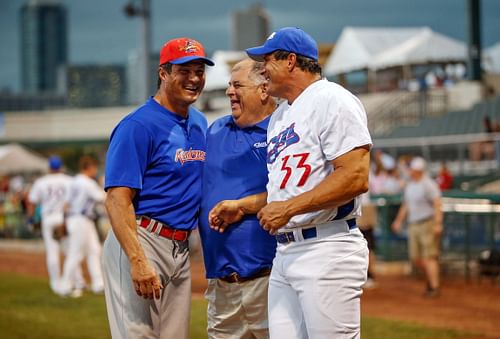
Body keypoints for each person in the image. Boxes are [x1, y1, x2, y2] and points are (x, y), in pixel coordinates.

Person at [245, 27, 372, 338]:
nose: (262, 69)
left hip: (327, 247)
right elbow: (289, 187)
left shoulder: (333, 99)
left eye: (267, 60)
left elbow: (355, 176)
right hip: (286, 250)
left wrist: (289, 208)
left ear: (291, 61)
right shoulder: (280, 116)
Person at [102, 37, 214, 339]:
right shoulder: (138, 126)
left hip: (179, 247)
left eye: (200, 71)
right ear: (163, 73)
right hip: (143, 238)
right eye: (184, 70)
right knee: (138, 335)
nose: (194, 79)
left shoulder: (200, 123)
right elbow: (116, 199)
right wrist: (138, 260)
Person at [199, 58, 277, 339]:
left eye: (237, 85)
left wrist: (243, 207)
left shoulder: (283, 131)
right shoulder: (216, 130)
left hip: (270, 281)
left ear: (264, 89)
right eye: (229, 85)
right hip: (222, 287)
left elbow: (297, 195)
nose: (229, 91)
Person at [27, 156, 84, 295]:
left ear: (49, 167)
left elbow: (31, 202)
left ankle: (56, 283)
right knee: (70, 251)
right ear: (61, 167)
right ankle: (77, 281)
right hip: (64, 218)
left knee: (52, 252)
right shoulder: (69, 180)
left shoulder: (41, 182)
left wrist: (31, 219)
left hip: (48, 218)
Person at [392, 157, 443, 298]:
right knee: (416, 259)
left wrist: (438, 223)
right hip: (413, 224)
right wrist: (398, 221)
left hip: (427, 223)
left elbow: (437, 204)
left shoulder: (428, 184)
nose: (410, 171)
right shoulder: (410, 185)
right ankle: (431, 280)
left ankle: (434, 286)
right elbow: (406, 205)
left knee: (429, 257)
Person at [57, 155, 106, 297]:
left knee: (94, 250)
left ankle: (98, 284)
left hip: (77, 219)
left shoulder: (73, 181)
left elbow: (65, 204)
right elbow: (102, 198)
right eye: (94, 168)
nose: (95, 171)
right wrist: (103, 184)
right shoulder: (87, 182)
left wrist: (64, 221)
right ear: (89, 167)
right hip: (81, 220)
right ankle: (64, 286)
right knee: (75, 253)